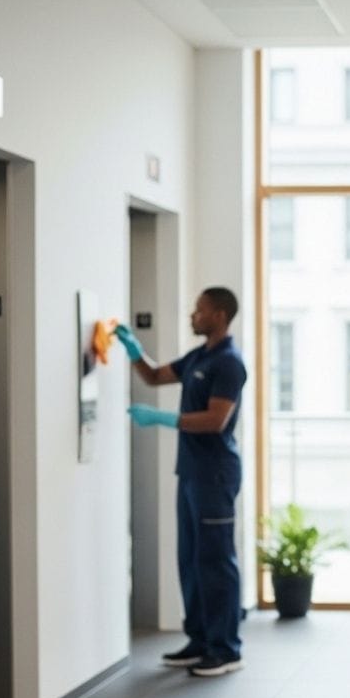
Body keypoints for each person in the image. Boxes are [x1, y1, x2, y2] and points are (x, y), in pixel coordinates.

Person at [115, 286, 248, 678]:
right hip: (190, 471)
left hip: (216, 474)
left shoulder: (228, 362)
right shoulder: (199, 356)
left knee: (215, 561)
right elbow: (156, 376)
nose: (193, 315)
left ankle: (226, 649)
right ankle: (200, 640)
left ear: (220, 315)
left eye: (200, 310)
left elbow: (216, 419)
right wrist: (133, 350)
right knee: (190, 559)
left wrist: (163, 419)